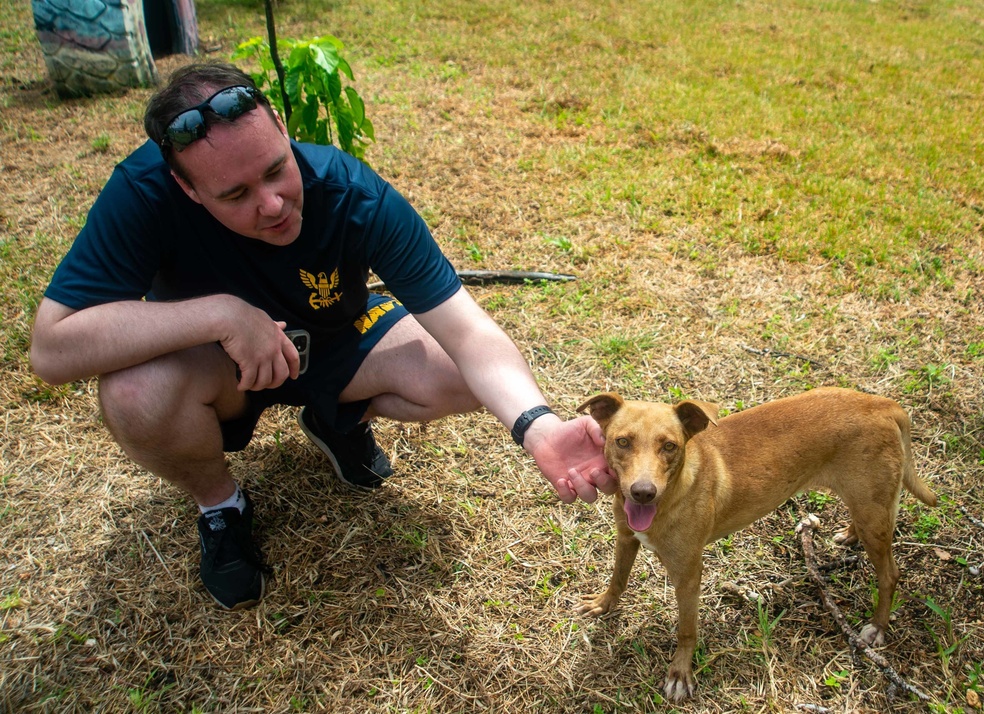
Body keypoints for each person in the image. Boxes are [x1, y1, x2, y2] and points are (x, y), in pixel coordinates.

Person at [30, 62, 615, 610]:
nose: (273, 203)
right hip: (219, 364)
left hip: (338, 339)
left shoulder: (353, 193)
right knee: (135, 393)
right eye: (234, 195)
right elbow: (53, 347)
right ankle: (221, 506)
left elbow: (468, 330)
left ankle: (339, 417)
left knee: (455, 373)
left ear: (282, 129)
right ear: (186, 187)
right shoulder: (141, 193)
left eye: (276, 168)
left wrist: (536, 425)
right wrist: (222, 315)